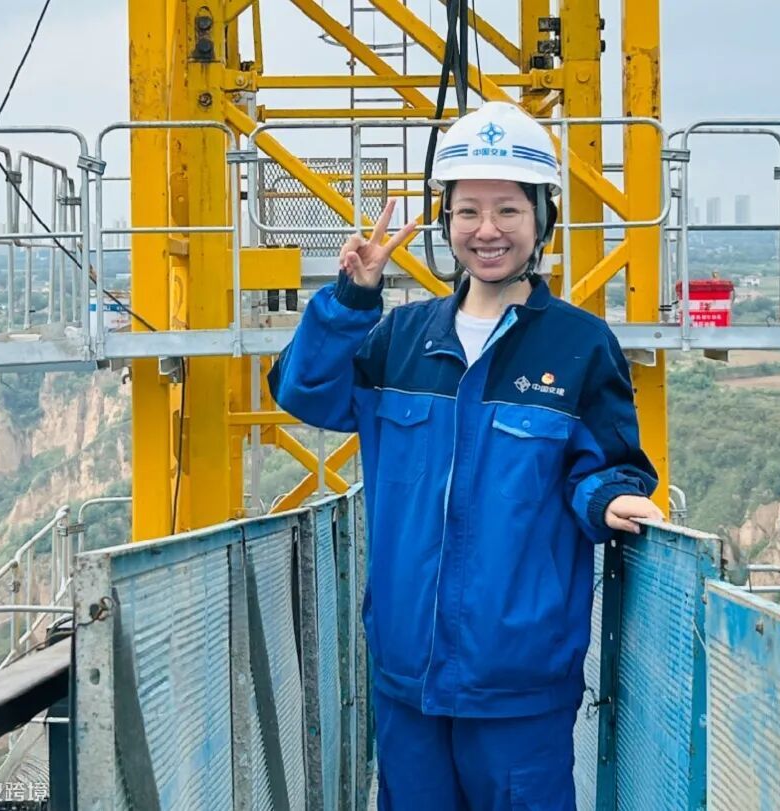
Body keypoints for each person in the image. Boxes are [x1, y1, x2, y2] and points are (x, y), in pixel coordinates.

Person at [269, 101, 661, 811]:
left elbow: (602, 462)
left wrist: (610, 497)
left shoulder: (578, 344)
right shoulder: (400, 338)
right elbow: (305, 392)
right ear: (446, 221)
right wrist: (351, 299)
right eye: (468, 211)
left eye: (509, 210)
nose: (487, 230)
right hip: (408, 672)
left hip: (520, 680)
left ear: (542, 218)